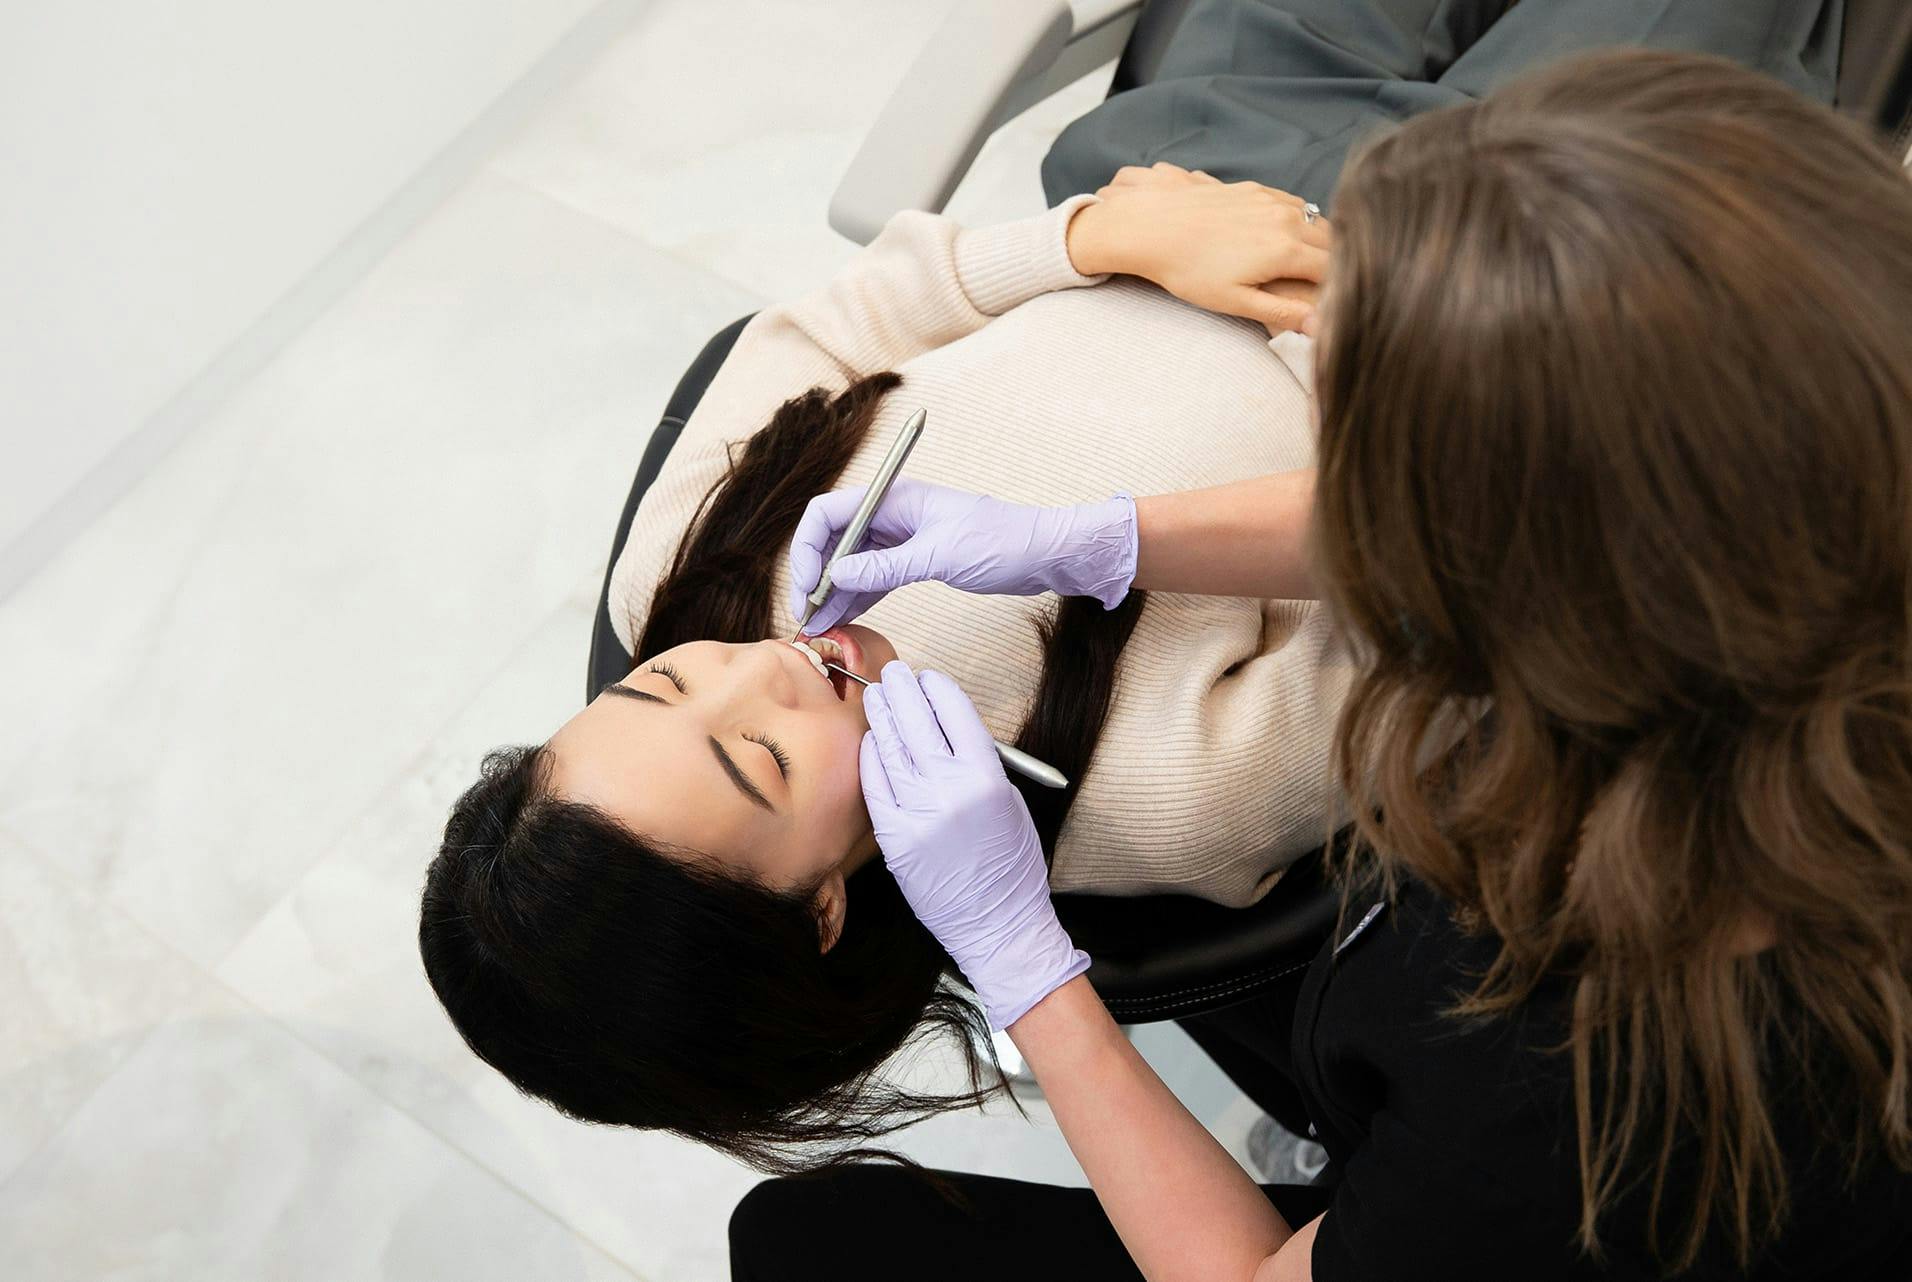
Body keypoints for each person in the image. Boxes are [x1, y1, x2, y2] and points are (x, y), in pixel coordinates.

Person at [732, 49, 1912, 1280]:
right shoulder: (1810, 489)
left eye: (1343, 443)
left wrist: (1026, 966)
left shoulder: (1593, 1094)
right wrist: (1104, 538)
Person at [418, 166, 1353, 1172]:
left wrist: (1094, 236)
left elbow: (829, 330)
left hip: (1168, 181)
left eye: (660, 683)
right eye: (761, 758)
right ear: (819, 906)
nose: (764, 668)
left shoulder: (678, 574)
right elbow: (1465, 578)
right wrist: (1340, 293)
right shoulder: (1168, 796)